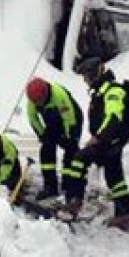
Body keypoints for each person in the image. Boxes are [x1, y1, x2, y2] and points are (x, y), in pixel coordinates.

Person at [76, 57, 129, 230]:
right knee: (114, 177)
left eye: (87, 76)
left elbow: (113, 117)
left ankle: (74, 202)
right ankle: (124, 214)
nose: (86, 80)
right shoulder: (102, 89)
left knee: (78, 160)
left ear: (97, 73)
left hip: (110, 140)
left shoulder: (112, 91)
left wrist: (98, 137)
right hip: (111, 139)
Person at [25, 77, 86, 213]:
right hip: (52, 121)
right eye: (35, 102)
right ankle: (50, 186)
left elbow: (69, 117)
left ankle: (69, 184)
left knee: (71, 150)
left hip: (72, 119)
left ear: (45, 93)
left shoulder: (59, 96)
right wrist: (42, 134)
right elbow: (33, 118)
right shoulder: (32, 102)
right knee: (46, 149)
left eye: (40, 101)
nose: (38, 104)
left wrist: (68, 136)